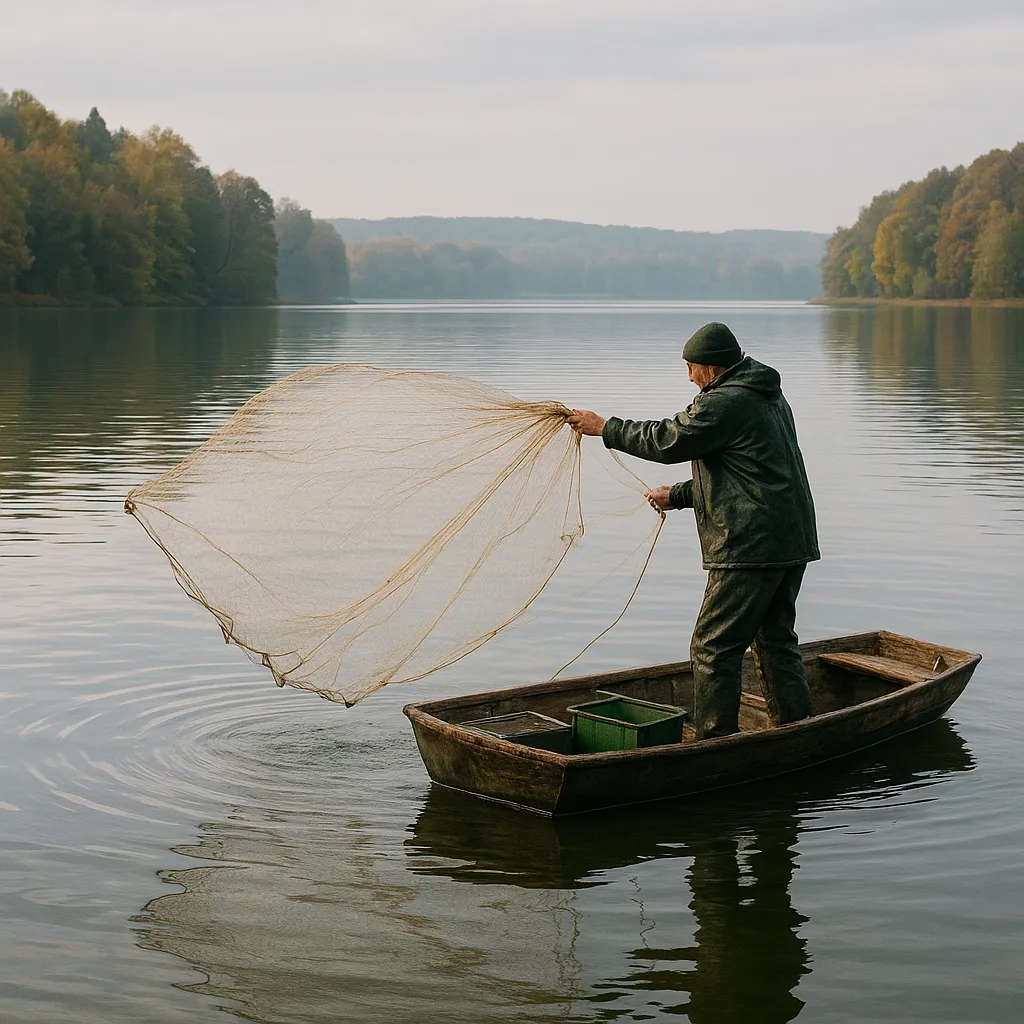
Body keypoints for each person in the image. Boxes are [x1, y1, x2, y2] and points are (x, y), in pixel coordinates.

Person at [567, 322, 818, 738]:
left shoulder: (726, 401)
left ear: (714, 369)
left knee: (712, 646)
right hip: (788, 539)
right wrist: (680, 495)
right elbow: (751, 474)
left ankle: (715, 741)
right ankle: (799, 729)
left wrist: (604, 427)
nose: (688, 377)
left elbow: (669, 440)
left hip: (750, 547)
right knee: (775, 642)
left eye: (692, 368)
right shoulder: (764, 393)